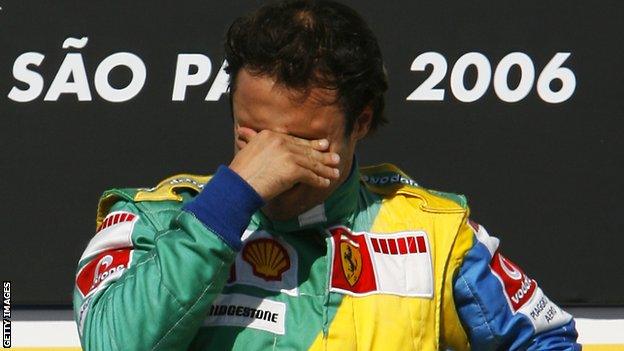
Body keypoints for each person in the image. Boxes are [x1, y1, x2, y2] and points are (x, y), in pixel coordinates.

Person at [72, 1, 580, 350]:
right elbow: (113, 342)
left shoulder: (437, 237)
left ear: (360, 122)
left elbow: (549, 338)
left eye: (299, 141)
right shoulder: (153, 221)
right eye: (251, 133)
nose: (274, 163)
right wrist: (226, 204)